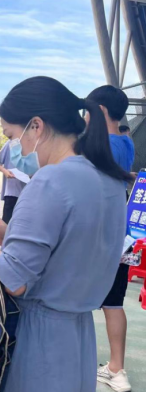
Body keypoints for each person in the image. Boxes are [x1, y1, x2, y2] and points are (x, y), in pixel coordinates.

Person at [0, 77, 133, 392]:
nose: (15, 148)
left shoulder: (49, 181)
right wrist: (8, 233)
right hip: (78, 337)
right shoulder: (110, 181)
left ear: (36, 126)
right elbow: (69, 252)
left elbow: (13, 280)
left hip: (39, 341)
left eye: (12, 136)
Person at [88, 85, 136, 393]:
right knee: (114, 303)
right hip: (121, 235)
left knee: (78, 300)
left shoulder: (101, 145)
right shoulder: (126, 142)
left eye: (89, 110)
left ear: (101, 110)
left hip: (98, 236)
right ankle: (117, 369)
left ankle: (77, 361)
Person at [0, 140, 27, 223]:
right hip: (12, 192)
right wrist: (5, 171)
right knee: (7, 224)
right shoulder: (11, 143)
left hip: (28, 193)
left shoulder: (36, 144)